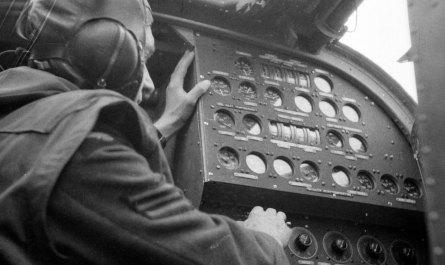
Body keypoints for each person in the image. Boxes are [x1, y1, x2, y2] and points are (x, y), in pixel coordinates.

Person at [0, 0, 292, 264]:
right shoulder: (85, 154)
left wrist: (164, 126)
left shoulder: (21, 118)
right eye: (140, 58)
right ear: (105, 48)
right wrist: (267, 241)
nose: (150, 85)